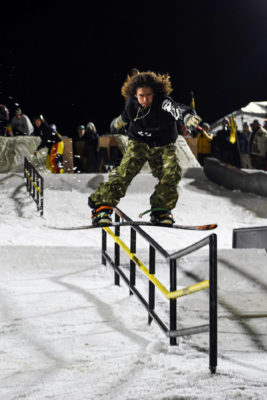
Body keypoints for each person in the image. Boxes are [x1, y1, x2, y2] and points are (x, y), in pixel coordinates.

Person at [88, 71, 201, 226]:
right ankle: (102, 205)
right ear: (135, 95)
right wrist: (118, 122)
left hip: (163, 143)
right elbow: (125, 117)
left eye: (148, 95)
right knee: (125, 171)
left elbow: (176, 108)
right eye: (141, 96)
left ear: (154, 93)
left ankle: (161, 210)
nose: (145, 99)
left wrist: (187, 116)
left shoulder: (163, 103)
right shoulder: (131, 104)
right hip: (139, 142)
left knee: (170, 172)